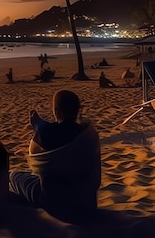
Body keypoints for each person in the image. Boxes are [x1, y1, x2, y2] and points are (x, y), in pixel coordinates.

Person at [9, 89, 101, 223]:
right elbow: (49, 127)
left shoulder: (48, 133)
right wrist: (40, 124)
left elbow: (33, 152)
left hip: (55, 206)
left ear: (57, 111)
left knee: (14, 176)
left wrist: (38, 124)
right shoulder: (87, 132)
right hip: (87, 203)